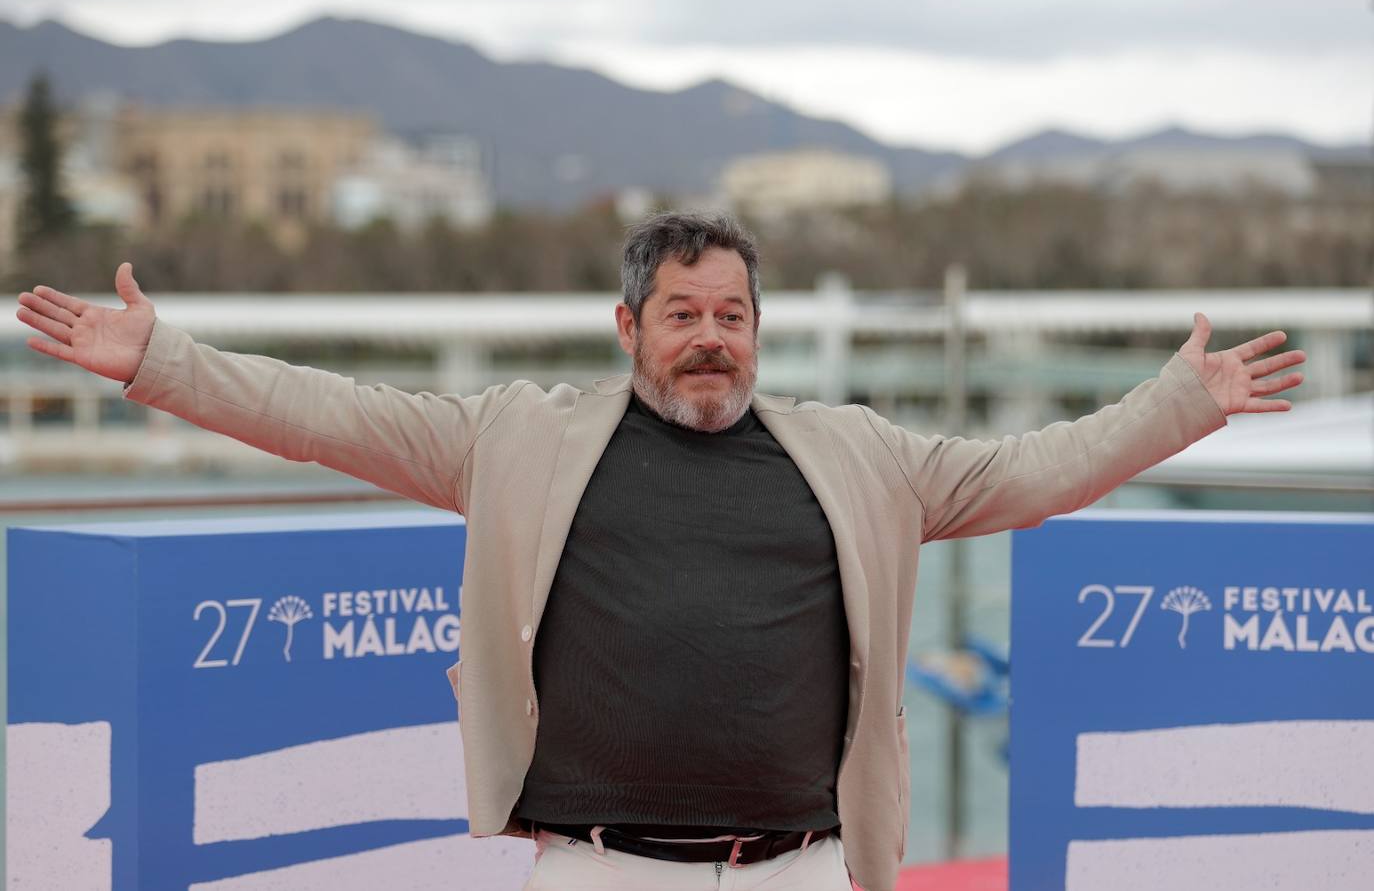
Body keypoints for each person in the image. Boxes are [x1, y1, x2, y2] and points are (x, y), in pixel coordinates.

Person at [15, 212, 1305, 891]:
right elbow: (327, 416)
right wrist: (165, 365)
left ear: (761, 327)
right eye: (682, 313)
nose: (711, 338)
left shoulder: (861, 456)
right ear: (628, 324)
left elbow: (1036, 474)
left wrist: (1179, 402)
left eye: (732, 315)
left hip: (801, 871)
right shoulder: (512, 439)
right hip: (593, 874)